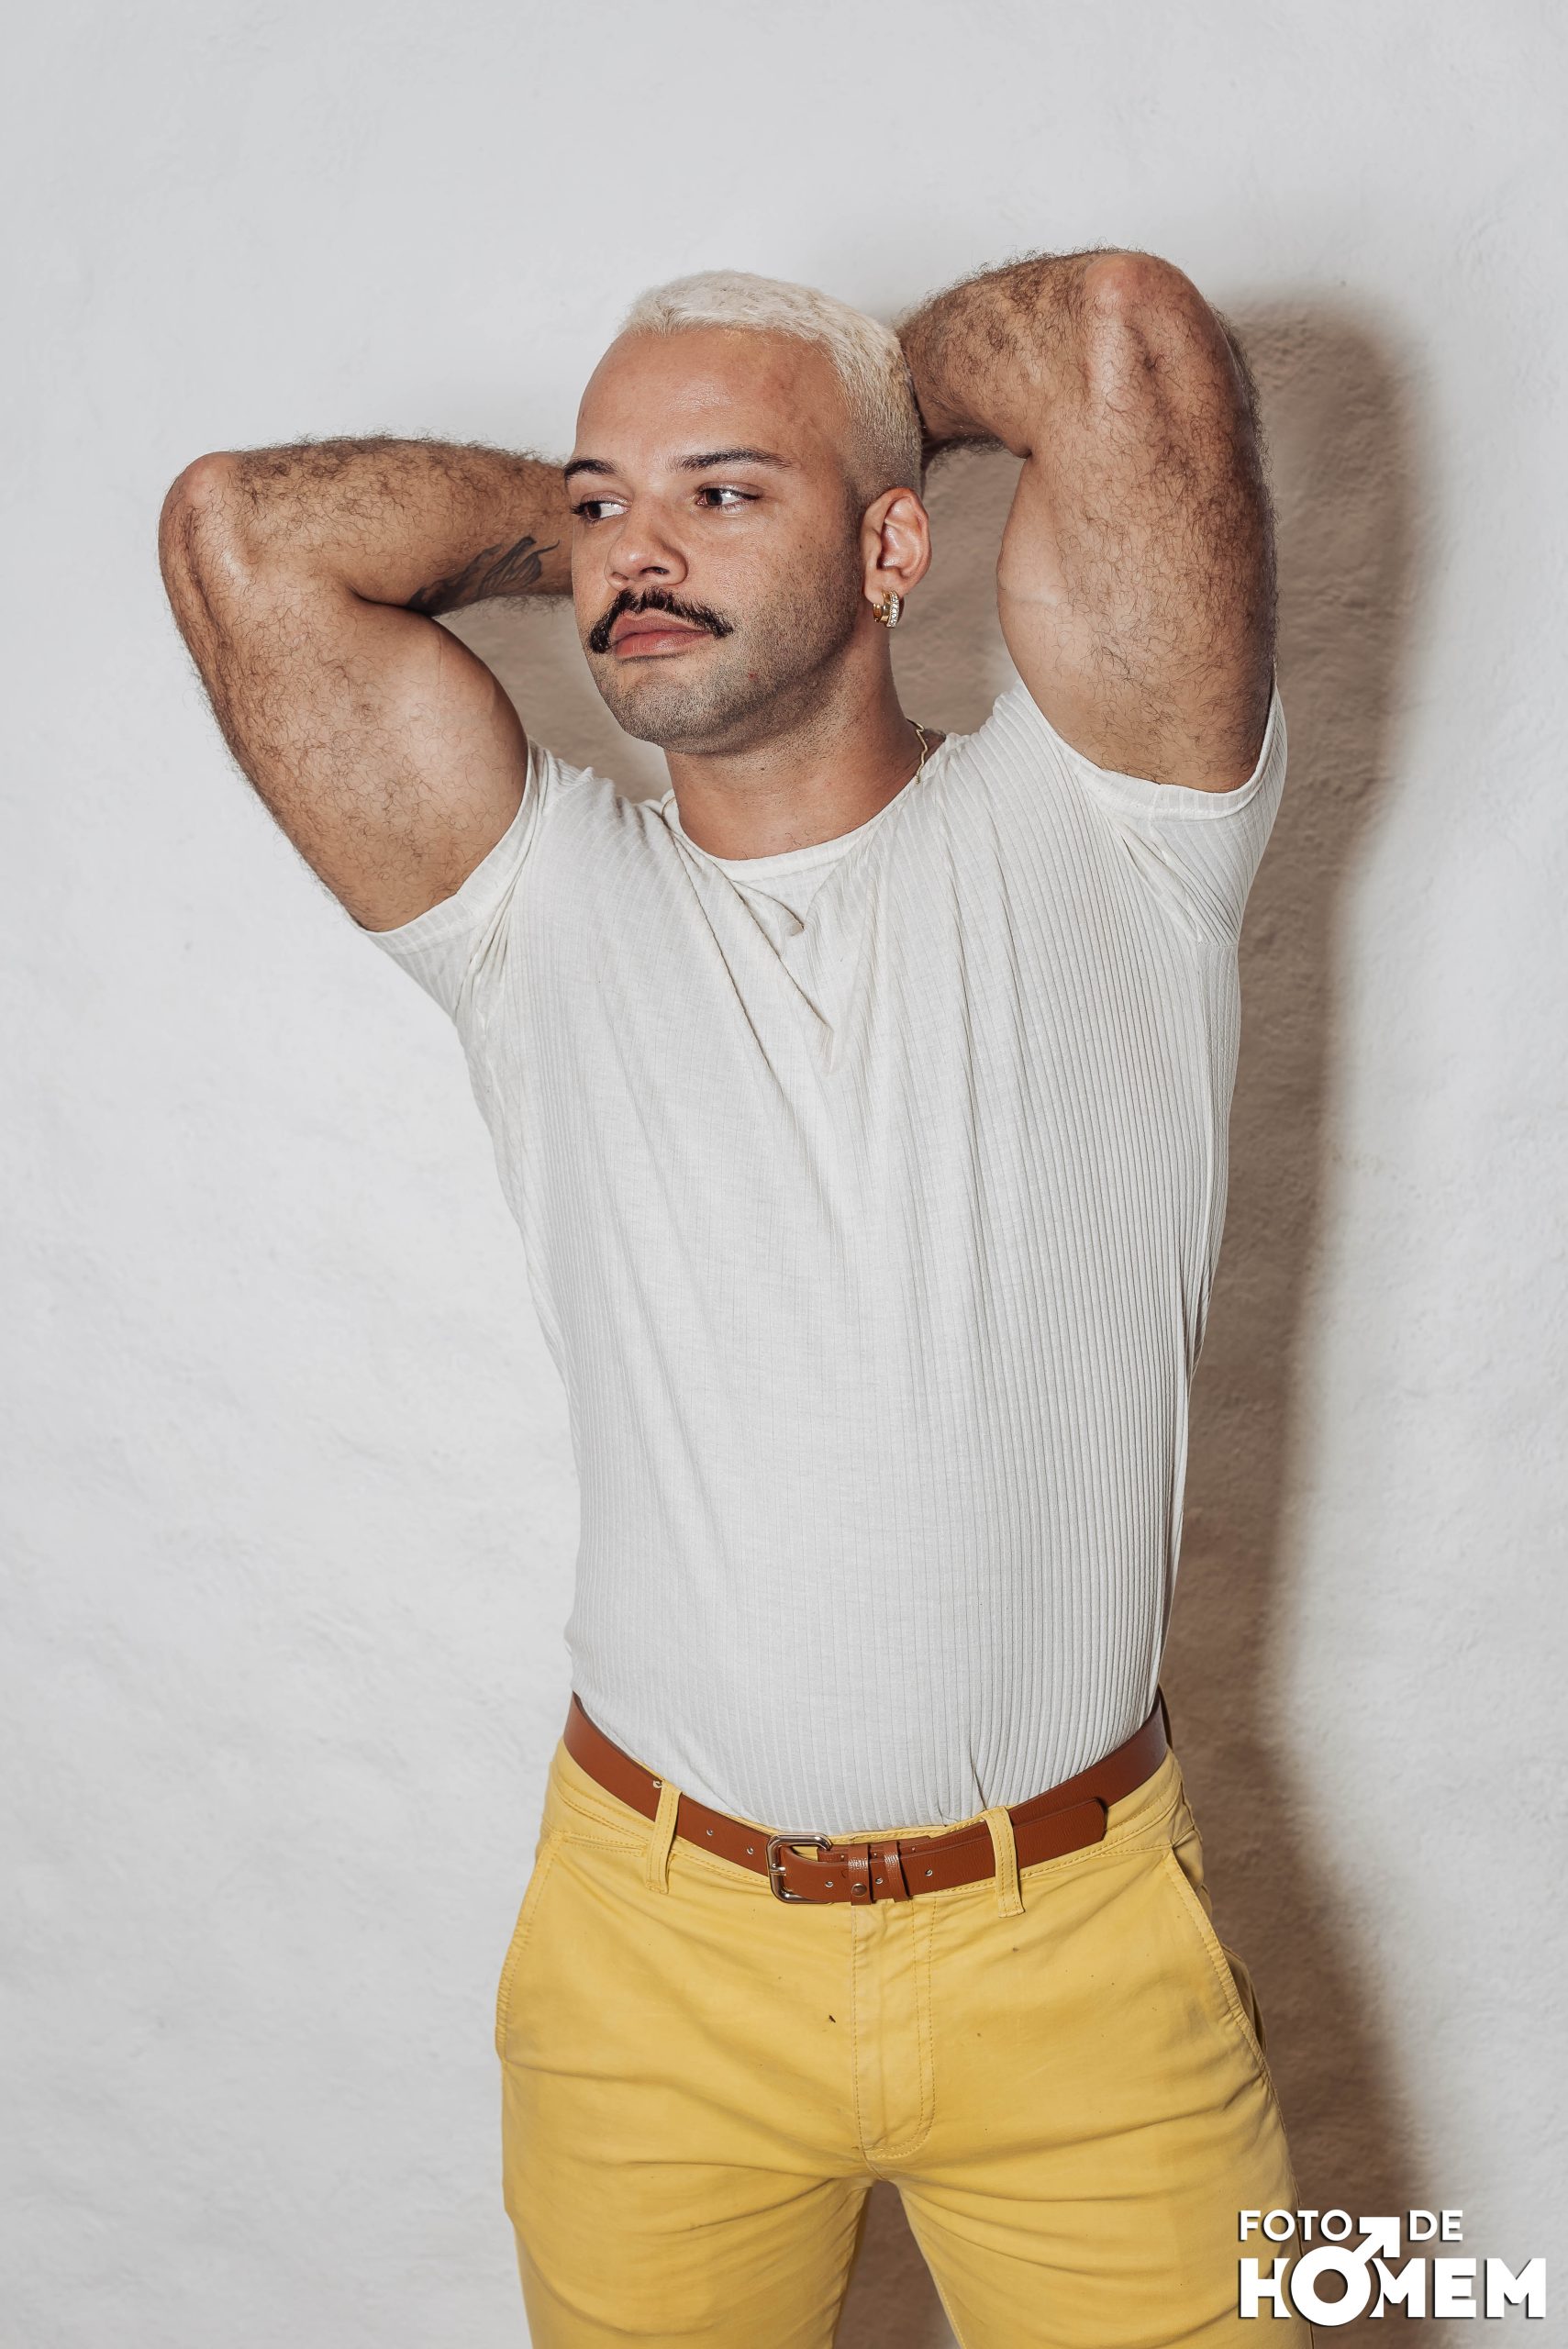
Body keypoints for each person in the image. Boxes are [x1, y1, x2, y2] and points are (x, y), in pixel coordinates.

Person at [159, 253, 1301, 2346]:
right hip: (652, 1956)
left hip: (1076, 1957)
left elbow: (1119, 341)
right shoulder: (532, 908)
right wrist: (651, 525)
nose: (636, 551)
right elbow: (241, 535)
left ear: (895, 549)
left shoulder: (1113, 820)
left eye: (721, 492)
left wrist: (857, 405)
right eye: (602, 505)